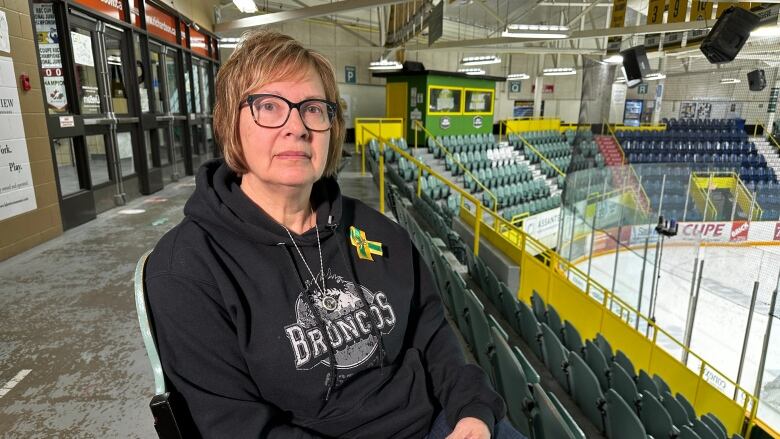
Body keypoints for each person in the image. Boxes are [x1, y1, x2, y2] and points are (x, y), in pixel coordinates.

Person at [146, 29, 524, 439]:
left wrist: (471, 411)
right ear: (229, 123)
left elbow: (431, 333)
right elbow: (234, 426)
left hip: (438, 423)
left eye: (313, 109)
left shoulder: (379, 232)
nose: (297, 127)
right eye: (269, 106)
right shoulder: (186, 270)